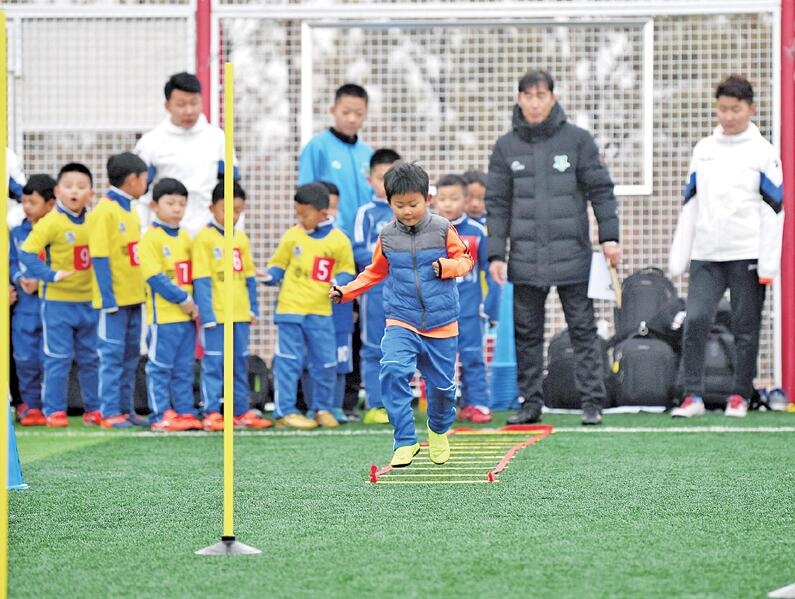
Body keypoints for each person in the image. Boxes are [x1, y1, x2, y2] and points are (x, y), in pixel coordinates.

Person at [486, 69, 620, 426]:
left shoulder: (578, 141)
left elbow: (601, 191)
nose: (534, 103)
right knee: (526, 334)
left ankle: (592, 402)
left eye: (541, 95)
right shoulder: (505, 147)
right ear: (519, 99)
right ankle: (530, 404)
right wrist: (496, 254)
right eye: (528, 96)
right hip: (524, 257)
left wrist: (610, 237)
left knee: (583, 330)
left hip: (572, 253)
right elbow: (496, 204)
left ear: (553, 98)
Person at [330, 162, 474, 467]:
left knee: (442, 390)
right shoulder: (387, 236)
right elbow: (374, 272)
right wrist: (346, 291)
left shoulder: (442, 228)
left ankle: (438, 430)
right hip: (402, 318)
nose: (407, 211)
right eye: (399, 205)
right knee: (393, 371)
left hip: (441, 322)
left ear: (427, 199)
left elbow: (465, 259)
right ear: (389, 202)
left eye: (413, 204)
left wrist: (447, 267)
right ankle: (405, 440)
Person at [669, 75, 784, 419]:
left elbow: (774, 210)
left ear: (751, 109)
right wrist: (680, 255)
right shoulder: (703, 150)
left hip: (747, 253)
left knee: (745, 327)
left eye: (735, 109)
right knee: (696, 319)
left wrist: (768, 265)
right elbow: (690, 203)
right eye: (722, 109)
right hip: (707, 253)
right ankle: (692, 396)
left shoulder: (763, 152)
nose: (728, 116)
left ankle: (740, 395)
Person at [262, 183, 356, 430]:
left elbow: (347, 271)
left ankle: (321, 408)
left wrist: (338, 282)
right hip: (290, 311)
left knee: (326, 362)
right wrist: (268, 276)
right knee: (288, 362)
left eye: (305, 214)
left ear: (323, 212)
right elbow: (278, 265)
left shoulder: (339, 240)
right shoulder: (292, 236)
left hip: (321, 312)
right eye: (297, 213)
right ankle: (285, 411)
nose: (300, 219)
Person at [20, 163, 102, 427]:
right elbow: (26, 253)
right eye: (68, 186)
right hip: (57, 303)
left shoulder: (96, 221)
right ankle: (54, 410)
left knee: (91, 358)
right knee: (58, 358)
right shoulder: (50, 222)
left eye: (81, 186)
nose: (74, 191)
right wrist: (50, 275)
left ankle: (94, 409)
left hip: (90, 302)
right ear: (57, 192)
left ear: (91, 193)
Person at [193, 181, 271, 430]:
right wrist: (207, 315)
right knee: (214, 364)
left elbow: (248, 278)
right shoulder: (204, 239)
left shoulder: (241, 238)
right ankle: (211, 412)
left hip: (240, 315)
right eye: (226, 209)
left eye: (238, 210)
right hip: (216, 316)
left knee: (239, 364)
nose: (233, 216)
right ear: (212, 208)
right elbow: (201, 281)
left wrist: (252, 308)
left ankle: (241, 411)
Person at [134, 72, 238, 237]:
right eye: (181, 104)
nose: (189, 111)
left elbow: (232, 190)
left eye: (194, 103)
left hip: (207, 233)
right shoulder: (151, 143)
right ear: (167, 105)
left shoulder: (218, 139)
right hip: (166, 235)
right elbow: (139, 194)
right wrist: (142, 231)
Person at [87, 153, 148, 429]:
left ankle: (126, 409)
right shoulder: (104, 211)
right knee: (111, 357)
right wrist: (108, 297)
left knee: (130, 356)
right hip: (114, 302)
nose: (146, 183)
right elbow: (99, 256)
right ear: (132, 179)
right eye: (144, 178)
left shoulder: (131, 210)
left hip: (134, 298)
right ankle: (109, 411)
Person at [434, 174, 500, 424]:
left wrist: (490, 306)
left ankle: (477, 404)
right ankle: (442, 407)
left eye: (454, 198)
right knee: (440, 360)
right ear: (434, 201)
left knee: (472, 357)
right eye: (443, 199)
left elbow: (491, 272)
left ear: (464, 200)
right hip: (437, 311)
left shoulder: (476, 232)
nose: (448, 204)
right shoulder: (428, 232)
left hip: (469, 309)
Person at [139, 178, 203, 432]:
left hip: (187, 318)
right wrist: (183, 299)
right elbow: (155, 277)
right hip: (163, 318)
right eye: (171, 203)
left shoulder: (186, 237)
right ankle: (160, 414)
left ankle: (185, 411)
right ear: (155, 206)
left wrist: (195, 304)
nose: (177, 209)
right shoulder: (150, 238)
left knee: (184, 369)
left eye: (182, 204)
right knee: (160, 368)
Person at [352, 148, 401, 425]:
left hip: (406, 292)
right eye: (381, 177)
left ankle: (399, 402)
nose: (387, 183)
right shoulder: (365, 213)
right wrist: (388, 257)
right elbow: (359, 252)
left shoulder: (409, 211)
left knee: (404, 347)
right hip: (374, 292)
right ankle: (375, 404)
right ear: (370, 180)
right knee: (373, 347)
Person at [298, 83, 374, 238]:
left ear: (366, 115)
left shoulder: (368, 153)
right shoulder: (317, 147)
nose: (352, 119)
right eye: (345, 112)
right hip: (330, 238)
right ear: (333, 110)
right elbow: (305, 193)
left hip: (365, 240)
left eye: (359, 113)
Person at [9, 174, 56, 426]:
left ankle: (53, 407)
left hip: (53, 304)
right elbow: (12, 262)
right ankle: (31, 406)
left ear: (50, 204)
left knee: (51, 358)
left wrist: (41, 281)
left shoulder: (58, 231)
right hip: (24, 306)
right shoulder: (17, 232)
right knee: (25, 357)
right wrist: (19, 279)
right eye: (24, 202)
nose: (26, 207)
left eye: (32, 202)